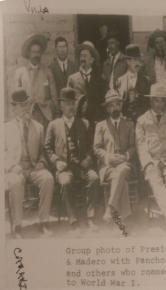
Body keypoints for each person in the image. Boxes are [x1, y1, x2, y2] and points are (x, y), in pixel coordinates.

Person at [44, 88, 100, 234]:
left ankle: (90, 217)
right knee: (65, 181)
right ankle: (73, 220)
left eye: (73, 103)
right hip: (65, 168)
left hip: (82, 167)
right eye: (67, 103)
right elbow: (47, 148)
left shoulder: (85, 123)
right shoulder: (53, 125)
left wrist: (88, 158)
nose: (71, 107)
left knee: (94, 178)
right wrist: (56, 161)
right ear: (61, 106)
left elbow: (90, 147)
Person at [135, 83, 166, 234]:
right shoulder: (142, 120)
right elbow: (141, 144)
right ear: (151, 101)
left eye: (162, 101)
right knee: (156, 181)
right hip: (152, 162)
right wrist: (148, 163)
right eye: (157, 100)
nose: (160, 104)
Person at [5, 89, 54, 238]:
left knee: (48, 178)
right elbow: (2, 153)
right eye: (20, 105)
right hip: (15, 169)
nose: (24, 108)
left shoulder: (38, 127)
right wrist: (12, 166)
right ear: (13, 107)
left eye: (26, 104)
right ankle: (18, 226)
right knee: (15, 182)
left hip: (33, 168)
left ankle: (43, 222)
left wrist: (41, 162)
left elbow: (43, 151)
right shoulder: (5, 128)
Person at [93, 90, 135, 234]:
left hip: (124, 164)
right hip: (107, 166)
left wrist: (126, 156)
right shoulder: (101, 126)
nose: (114, 108)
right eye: (111, 106)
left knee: (122, 170)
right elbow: (96, 148)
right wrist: (108, 157)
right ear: (107, 108)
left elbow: (133, 146)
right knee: (120, 180)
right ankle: (122, 223)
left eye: (117, 104)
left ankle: (110, 208)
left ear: (121, 106)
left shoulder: (129, 124)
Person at [14, 33, 58, 128]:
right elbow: (16, 99)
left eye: (38, 52)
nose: (36, 55)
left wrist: (53, 111)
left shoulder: (47, 72)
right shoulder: (20, 73)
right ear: (28, 53)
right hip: (27, 115)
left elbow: (54, 97)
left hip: (45, 116)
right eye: (33, 52)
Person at [67, 41, 106, 125]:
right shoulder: (72, 79)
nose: (82, 59)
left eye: (85, 56)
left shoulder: (100, 79)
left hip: (96, 121)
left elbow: (104, 101)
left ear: (92, 60)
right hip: (78, 121)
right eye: (81, 56)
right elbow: (68, 101)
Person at [116, 44, 150, 122]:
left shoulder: (146, 81)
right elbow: (118, 103)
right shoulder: (120, 81)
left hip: (142, 122)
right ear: (128, 61)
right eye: (134, 60)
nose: (138, 63)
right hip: (125, 121)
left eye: (139, 60)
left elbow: (148, 104)